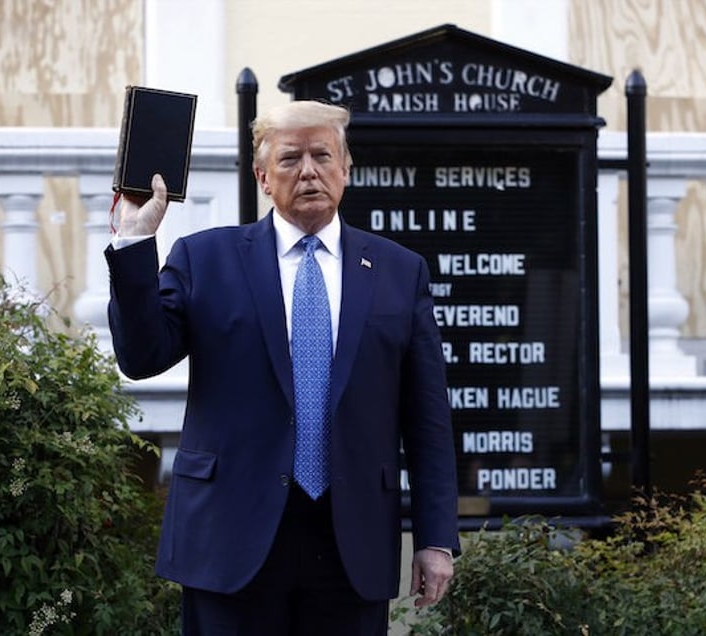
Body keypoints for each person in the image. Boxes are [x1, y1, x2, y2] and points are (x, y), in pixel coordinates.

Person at [105, 99, 460, 635]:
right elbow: (141, 357)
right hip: (230, 536)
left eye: (323, 155)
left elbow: (427, 418)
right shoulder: (206, 259)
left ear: (346, 169)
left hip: (351, 539)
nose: (310, 170)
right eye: (291, 158)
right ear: (263, 177)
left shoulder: (399, 271)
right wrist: (135, 242)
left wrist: (436, 537)